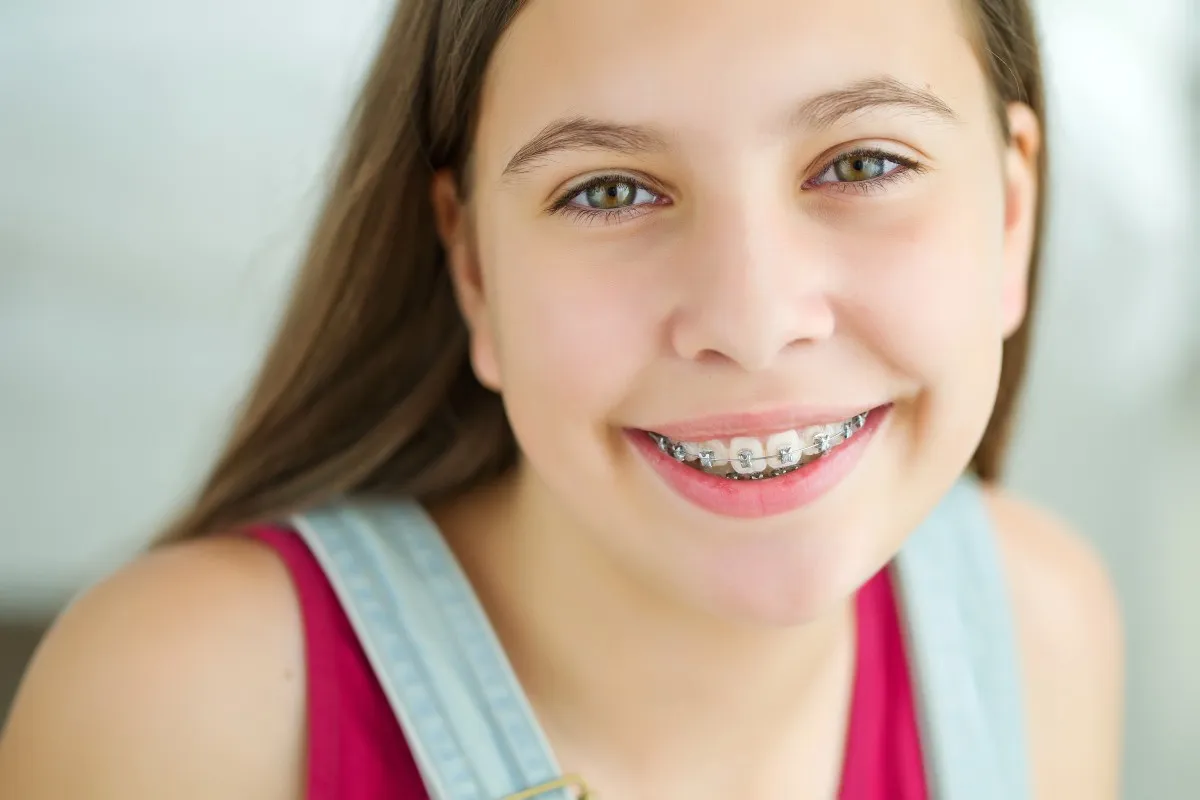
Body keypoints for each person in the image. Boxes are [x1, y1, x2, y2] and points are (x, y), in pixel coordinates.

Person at [0, 0, 1123, 797]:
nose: (748, 317)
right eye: (611, 189)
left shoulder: (1036, 630)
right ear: (473, 263)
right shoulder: (190, 709)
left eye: (863, 163)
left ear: (1010, 212)